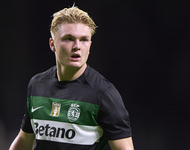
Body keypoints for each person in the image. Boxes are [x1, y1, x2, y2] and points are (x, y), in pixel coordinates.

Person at [9, 6, 134, 150]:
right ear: (52, 44)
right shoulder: (37, 85)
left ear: (90, 45)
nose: (77, 46)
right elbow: (24, 140)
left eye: (84, 40)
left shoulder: (104, 94)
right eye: (69, 39)